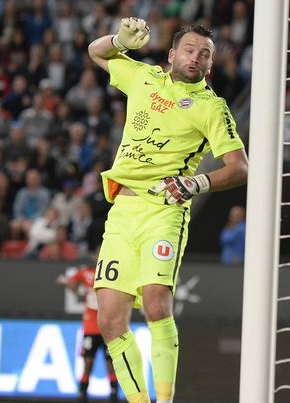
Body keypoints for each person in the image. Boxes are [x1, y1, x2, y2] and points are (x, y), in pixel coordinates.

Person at [88, 18, 248, 403]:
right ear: (173, 54)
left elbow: (239, 167)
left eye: (205, 54)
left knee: (157, 300)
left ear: (210, 66)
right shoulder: (143, 78)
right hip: (123, 212)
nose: (197, 58)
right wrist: (119, 40)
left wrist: (197, 183)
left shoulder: (212, 107)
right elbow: (97, 52)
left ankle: (165, 399)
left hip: (164, 209)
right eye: (190, 50)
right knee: (108, 319)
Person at [56, 263, 119, 403]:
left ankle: (114, 394)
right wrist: (70, 284)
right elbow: (61, 280)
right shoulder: (86, 273)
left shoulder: (113, 270)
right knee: (88, 362)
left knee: (111, 363)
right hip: (91, 326)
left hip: (108, 326)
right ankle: (82, 393)